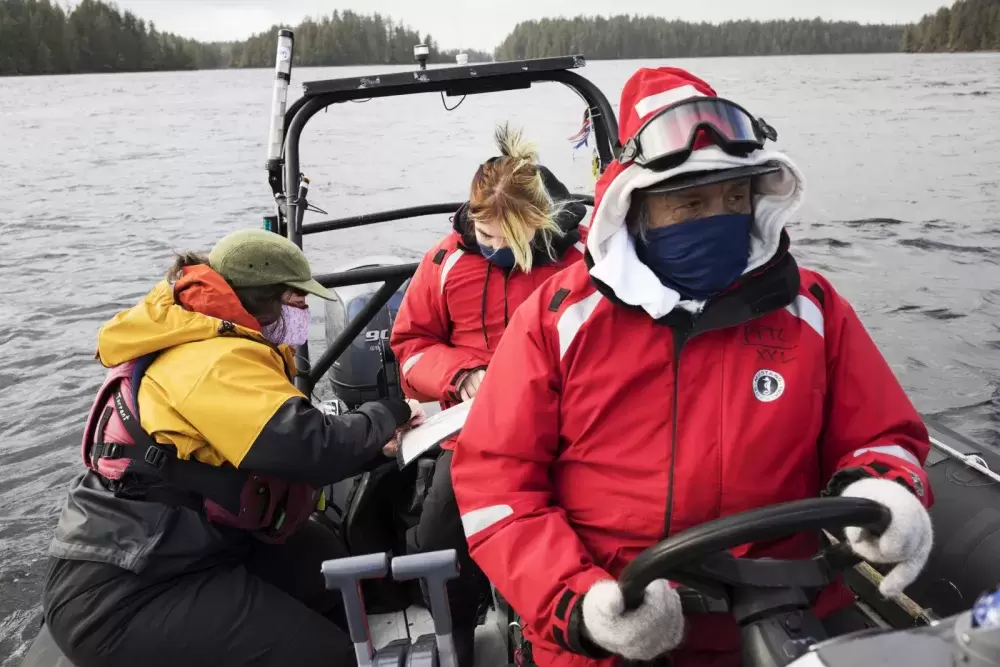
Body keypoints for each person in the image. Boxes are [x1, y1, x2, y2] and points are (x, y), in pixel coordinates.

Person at [451, 67, 935, 667]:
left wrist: (889, 491)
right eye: (691, 201)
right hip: (609, 630)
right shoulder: (557, 321)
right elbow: (497, 487)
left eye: (735, 197)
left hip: (791, 611)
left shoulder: (813, 309)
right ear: (637, 207)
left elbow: (883, 435)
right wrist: (579, 603)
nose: (720, 216)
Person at [43, 228, 425, 667]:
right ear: (264, 299)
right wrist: (390, 412)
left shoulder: (217, 339)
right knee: (327, 657)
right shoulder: (211, 361)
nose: (304, 312)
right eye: (297, 301)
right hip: (127, 590)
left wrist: (379, 447)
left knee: (324, 565)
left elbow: (278, 448)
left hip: (196, 547)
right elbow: (310, 445)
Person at [390, 124, 589, 667]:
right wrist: (462, 377)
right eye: (486, 236)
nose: (496, 250)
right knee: (437, 545)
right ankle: (456, 645)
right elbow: (410, 346)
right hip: (473, 438)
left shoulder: (583, 262)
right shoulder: (444, 262)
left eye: (510, 241)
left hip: (567, 434)